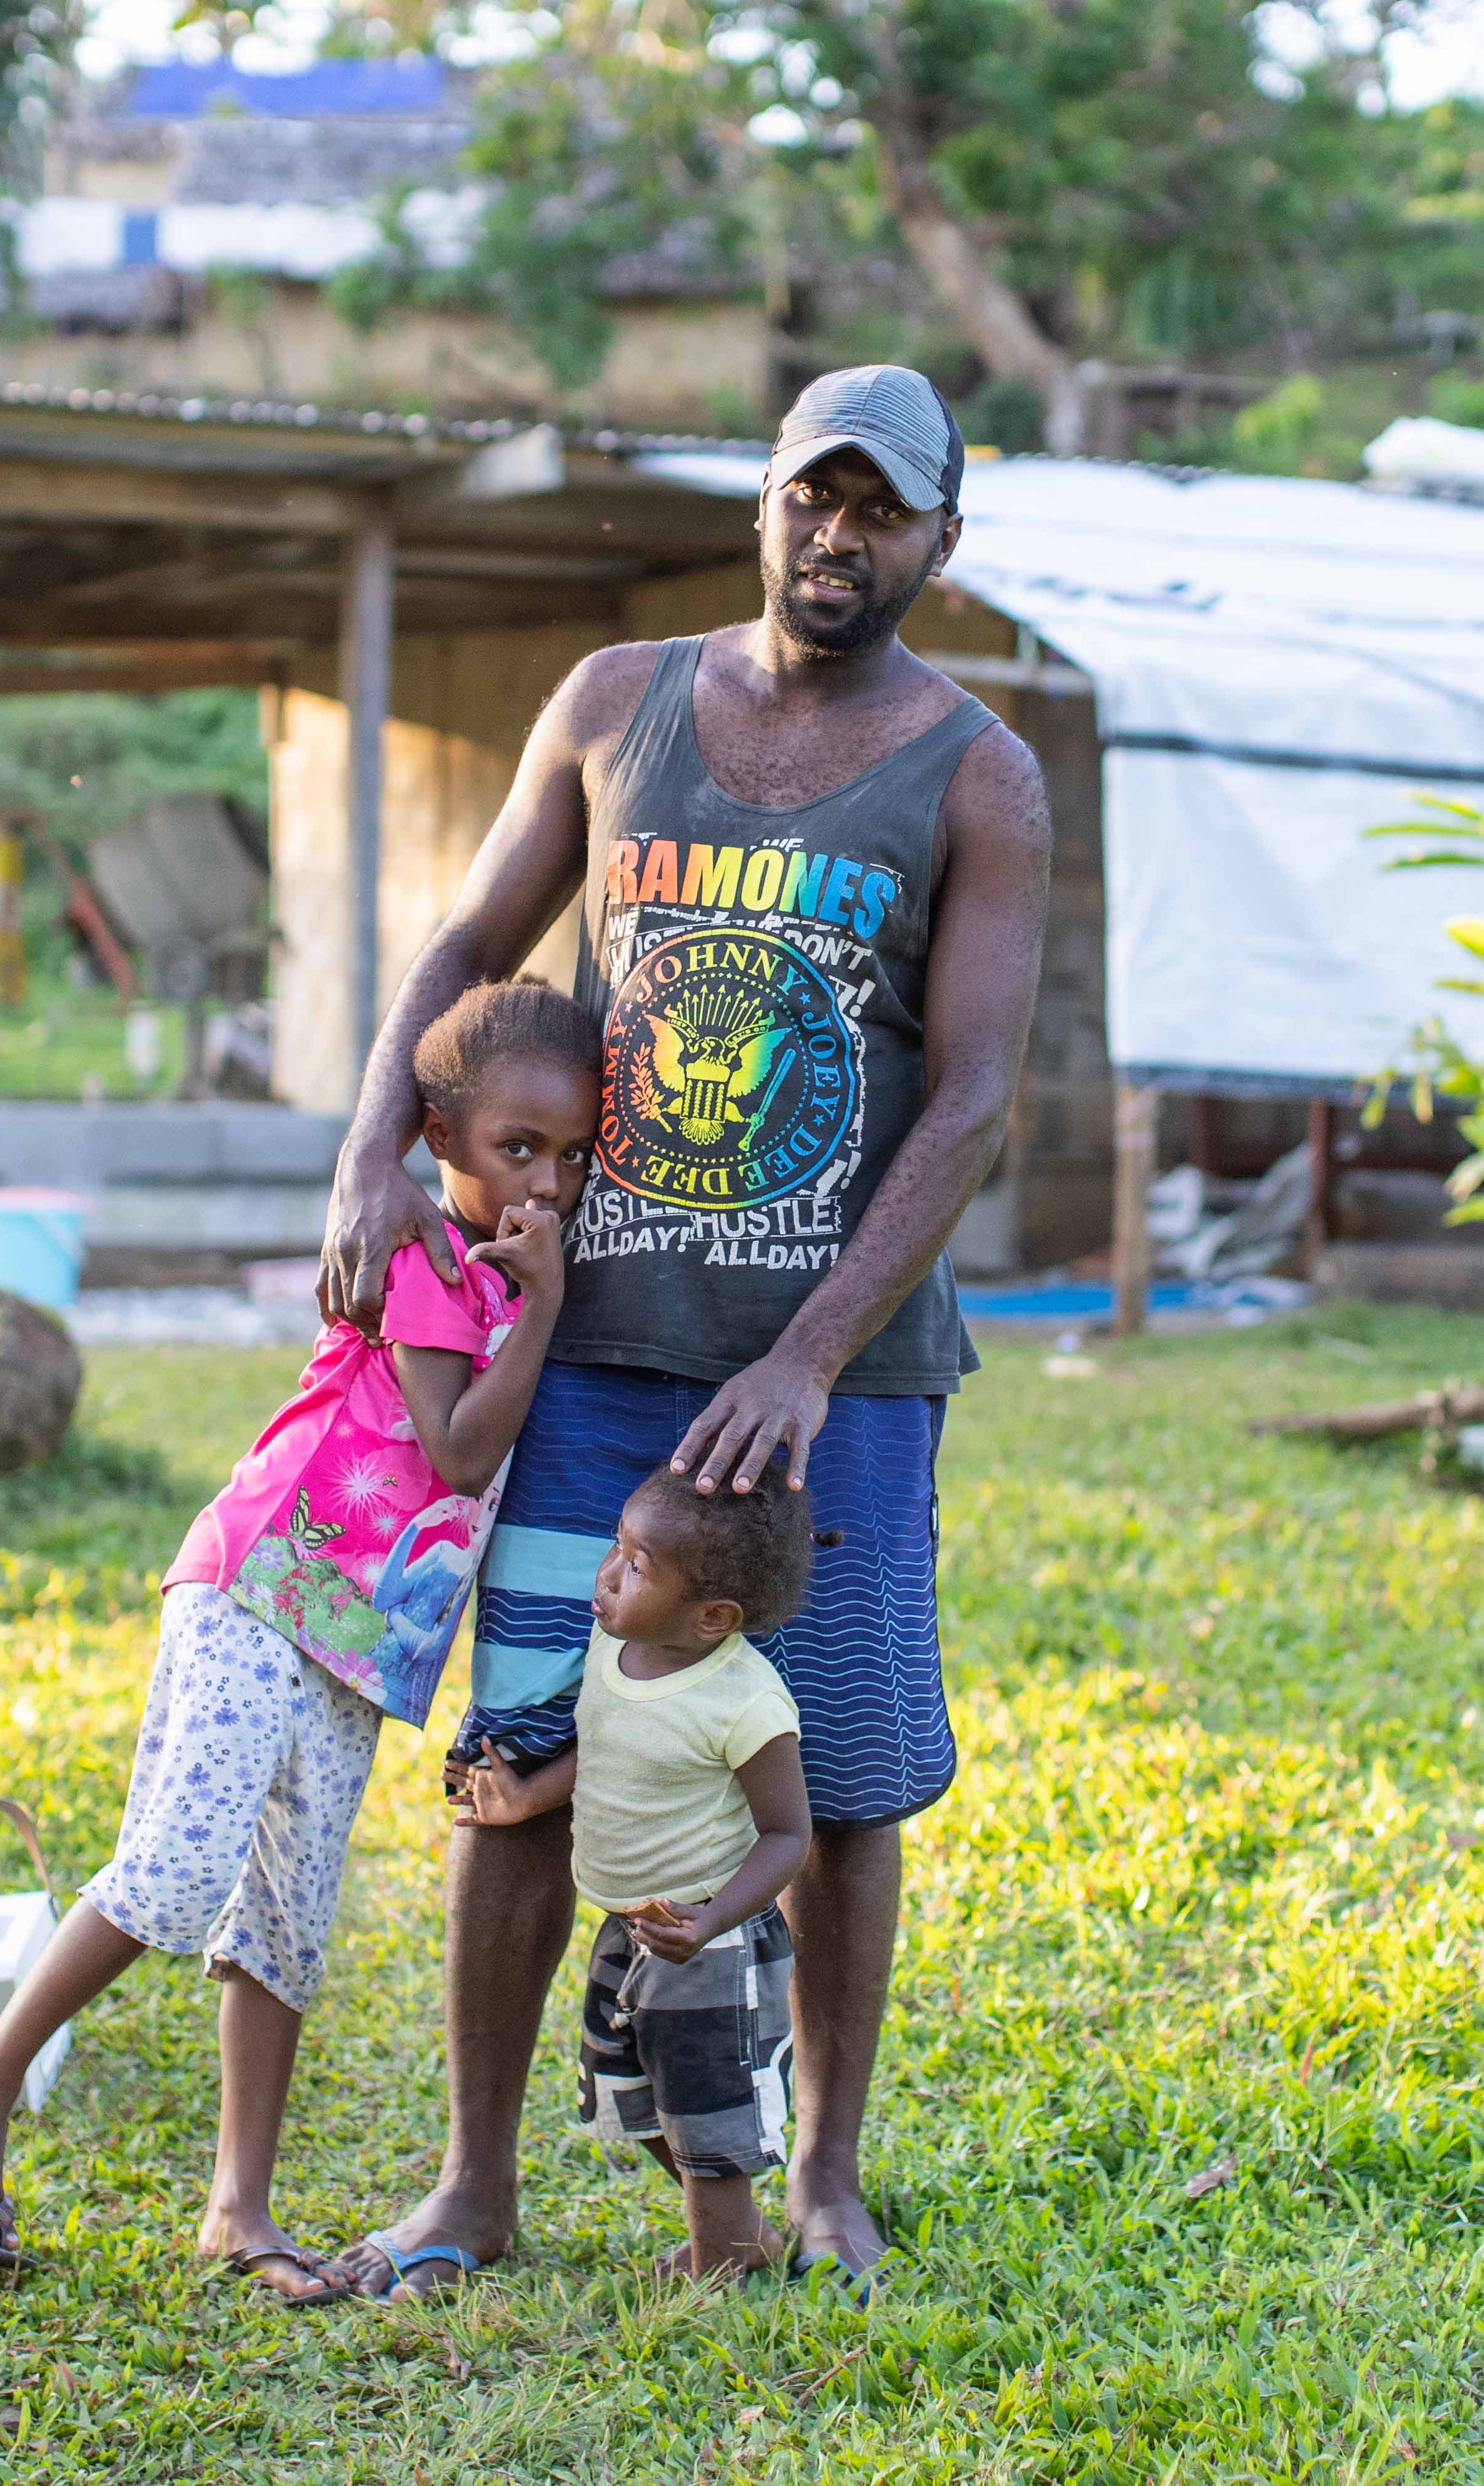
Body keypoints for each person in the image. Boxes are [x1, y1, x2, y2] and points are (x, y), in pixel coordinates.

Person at [318, 365, 1054, 2301]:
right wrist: (372, 1146)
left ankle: (823, 2176)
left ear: (940, 545)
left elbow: (973, 1094)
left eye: (883, 510)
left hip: (838, 1388)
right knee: (526, 1753)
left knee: (849, 1766)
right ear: (762, 504)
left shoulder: (977, 769)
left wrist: (808, 1353)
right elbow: (468, 952)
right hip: (584, 1355)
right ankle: (475, 2189)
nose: (839, 534)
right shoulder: (615, 704)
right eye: (813, 495)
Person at [0, 980, 599, 2293]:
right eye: (518, 1149)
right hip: (264, 1578)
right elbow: (456, 1445)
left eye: (571, 1154)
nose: (547, 1182)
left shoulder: (516, 1266)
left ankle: (239, 2206)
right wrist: (543, 1305)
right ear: (440, 1138)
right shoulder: (428, 1259)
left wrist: (543, 1292)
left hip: (362, 1640)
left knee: (284, 1917)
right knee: (175, 1864)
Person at [449, 1472, 828, 2285]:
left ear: (714, 1617)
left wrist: (713, 1917)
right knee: (630, 2087)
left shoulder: (747, 1703)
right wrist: (523, 1798)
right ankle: (740, 2232)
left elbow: (788, 1835)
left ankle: (720, 2258)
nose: (607, 1573)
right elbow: (607, 1746)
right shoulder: (619, 1652)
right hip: (633, 1928)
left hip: (709, 1939)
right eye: (616, 1549)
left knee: (704, 2098)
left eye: (637, 1566)